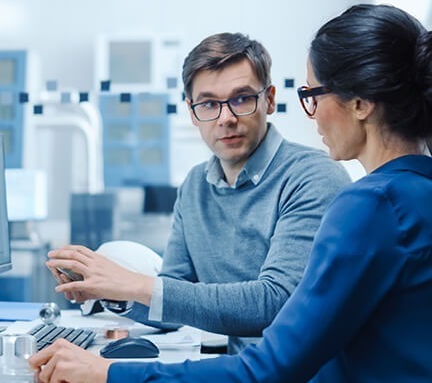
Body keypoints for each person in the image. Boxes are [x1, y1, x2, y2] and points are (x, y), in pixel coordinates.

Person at [32, 4, 432, 383]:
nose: (309, 113)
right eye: (208, 104)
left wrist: (104, 373)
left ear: (359, 103)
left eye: (311, 96)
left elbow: (264, 359)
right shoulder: (414, 191)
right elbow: (397, 353)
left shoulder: (368, 203)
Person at [51, 33, 350, 352]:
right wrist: (110, 292)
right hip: (244, 377)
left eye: (242, 99)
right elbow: (174, 302)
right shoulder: (195, 186)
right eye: (209, 104)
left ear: (270, 100)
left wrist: (136, 284)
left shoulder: (313, 177)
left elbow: (275, 304)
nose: (226, 118)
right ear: (192, 112)